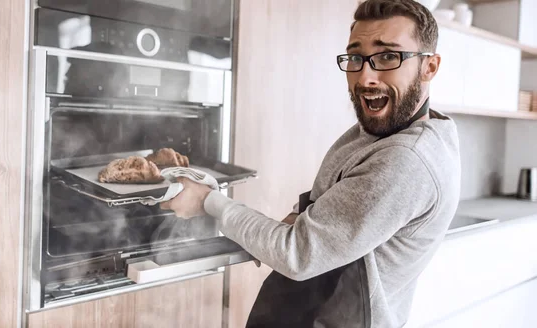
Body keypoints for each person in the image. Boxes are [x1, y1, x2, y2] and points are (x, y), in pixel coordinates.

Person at [160, 0, 461, 327]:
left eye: (388, 56)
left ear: (429, 67)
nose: (365, 77)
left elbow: (298, 255)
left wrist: (208, 201)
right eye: (356, 58)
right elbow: (340, 202)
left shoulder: (406, 159)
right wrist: (294, 220)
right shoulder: (388, 130)